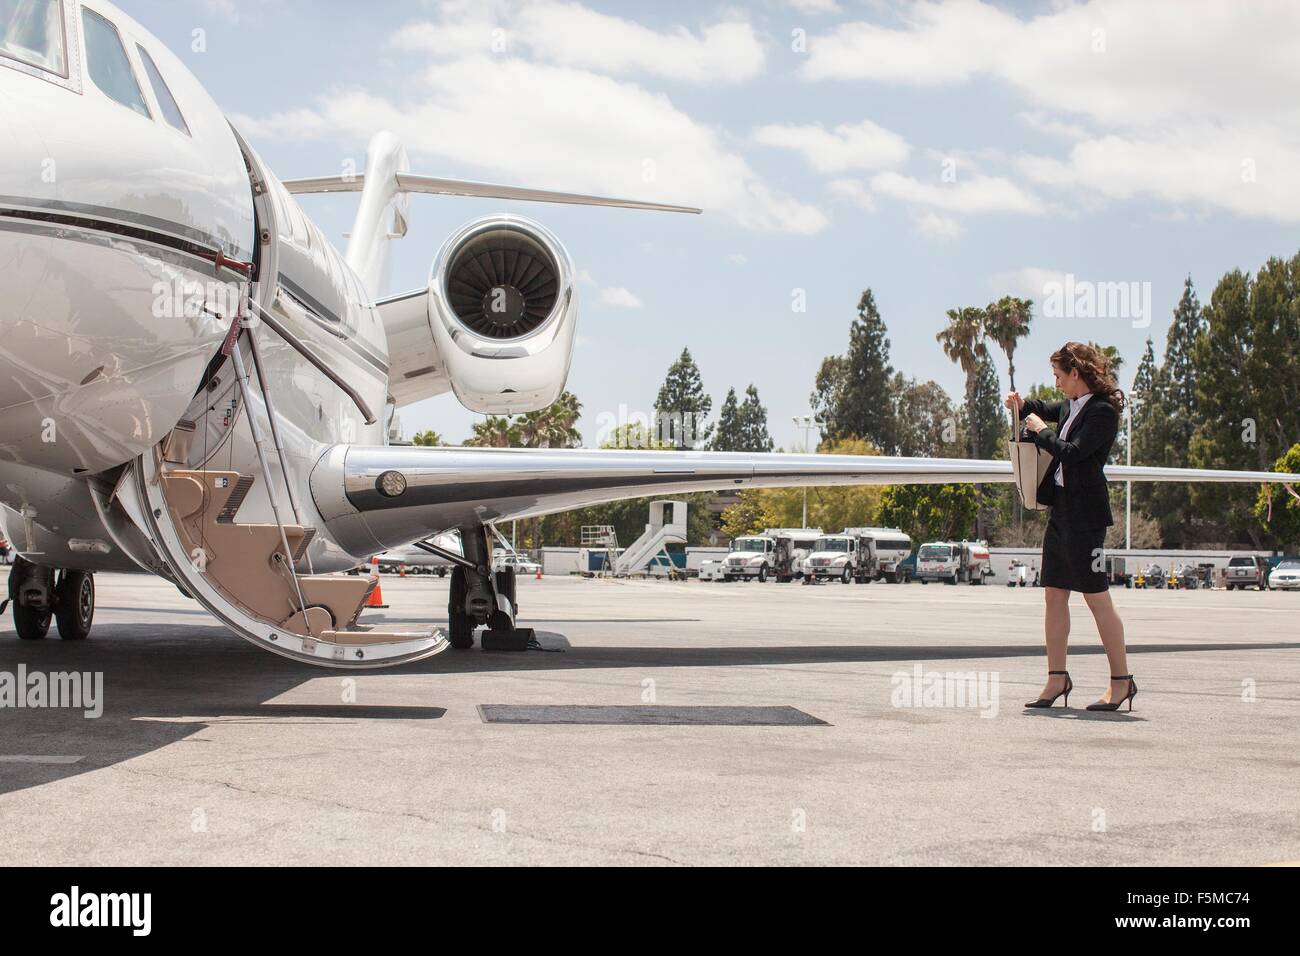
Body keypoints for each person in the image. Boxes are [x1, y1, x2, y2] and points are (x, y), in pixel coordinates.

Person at [1005, 342, 1137, 712]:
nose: (1057, 384)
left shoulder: (1102, 411)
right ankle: (1057, 678)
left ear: (1076, 373)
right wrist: (1019, 403)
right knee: (1054, 594)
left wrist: (1041, 432)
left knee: (1097, 599)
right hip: (1061, 511)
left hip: (1087, 518)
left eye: (1060, 377)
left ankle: (1121, 681)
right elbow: (1038, 409)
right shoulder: (1069, 406)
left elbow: (1075, 454)